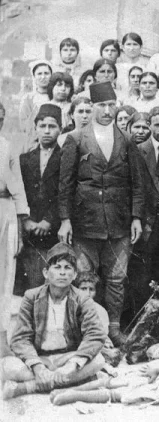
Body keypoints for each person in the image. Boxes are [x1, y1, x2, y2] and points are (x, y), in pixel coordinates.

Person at [58, 82, 145, 346]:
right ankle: (87, 329)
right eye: (101, 105)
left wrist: (137, 217)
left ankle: (114, 330)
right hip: (85, 222)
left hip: (119, 222)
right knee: (84, 277)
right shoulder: (76, 138)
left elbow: (138, 183)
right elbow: (65, 183)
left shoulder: (127, 140)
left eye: (111, 105)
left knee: (117, 278)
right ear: (92, 106)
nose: (107, 111)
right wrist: (65, 220)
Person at [1, 242, 106, 400]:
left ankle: (30, 386)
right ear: (45, 272)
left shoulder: (83, 299)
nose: (62, 273)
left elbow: (95, 335)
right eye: (57, 267)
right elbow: (20, 338)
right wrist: (37, 367)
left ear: (75, 274)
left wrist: (72, 365)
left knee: (99, 360)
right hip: (39, 357)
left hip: (67, 358)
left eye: (67, 268)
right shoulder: (31, 297)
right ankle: (70, 382)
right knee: (6, 365)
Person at [126, 106, 159, 321]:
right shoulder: (138, 149)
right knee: (142, 268)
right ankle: (141, 318)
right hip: (147, 213)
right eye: (158, 125)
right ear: (150, 126)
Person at [17, 105, 63, 293]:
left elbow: (65, 193)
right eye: (42, 125)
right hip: (29, 230)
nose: (46, 131)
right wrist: (26, 220)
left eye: (52, 126)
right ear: (35, 127)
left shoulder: (66, 158)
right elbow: (19, 192)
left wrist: (49, 221)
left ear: (60, 128)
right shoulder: (24, 159)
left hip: (53, 230)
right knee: (29, 281)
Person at [0, 115, 30, 355]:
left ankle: (1, 339)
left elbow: (17, 186)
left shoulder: (7, 146)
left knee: (5, 275)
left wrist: (20, 226)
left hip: (5, 209)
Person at [19, 60, 53, 142]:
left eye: (46, 73)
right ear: (34, 77)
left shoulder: (56, 96)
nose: (43, 77)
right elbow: (23, 123)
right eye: (39, 74)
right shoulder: (28, 99)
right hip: (33, 140)